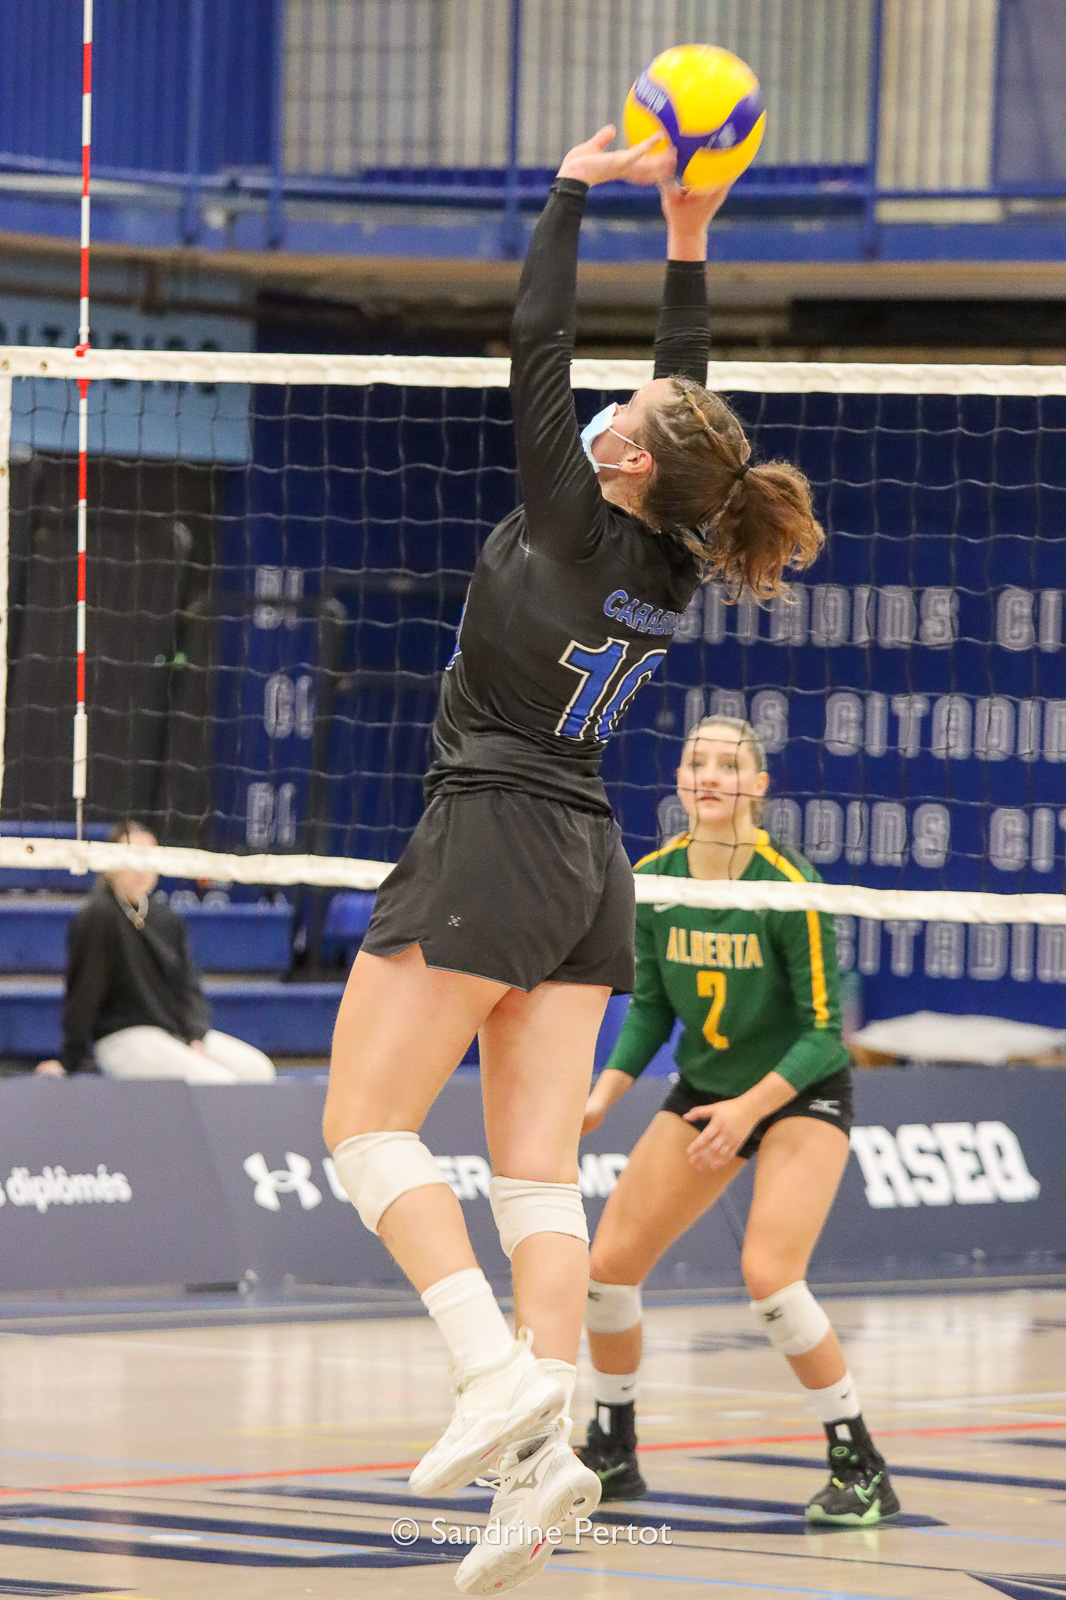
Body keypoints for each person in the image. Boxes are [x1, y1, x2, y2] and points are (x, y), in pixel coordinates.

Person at [322, 125, 823, 1596]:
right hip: (588, 860)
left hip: (490, 828)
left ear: (616, 457)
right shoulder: (669, 544)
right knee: (534, 1175)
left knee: (363, 1132)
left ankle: (489, 1376)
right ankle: (549, 1468)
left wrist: (566, 188)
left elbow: (539, 332)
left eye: (626, 408)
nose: (617, 401)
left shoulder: (574, 510)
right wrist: (682, 236)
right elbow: (690, 412)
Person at [576, 716, 900, 1527]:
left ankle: (860, 1463)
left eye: (730, 765)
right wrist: (602, 1094)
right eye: (697, 762)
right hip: (706, 1089)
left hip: (800, 1092)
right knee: (608, 1266)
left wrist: (750, 1110)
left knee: (769, 1275)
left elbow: (828, 1034)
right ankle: (613, 1451)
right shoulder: (654, 878)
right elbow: (650, 1008)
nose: (711, 776)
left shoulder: (789, 886)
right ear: (680, 781)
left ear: (759, 786)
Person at [34, 821, 276, 1084]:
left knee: (259, 1071)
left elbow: (189, 987)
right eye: (132, 858)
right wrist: (68, 1059)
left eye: (149, 858)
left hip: (173, 1034)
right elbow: (85, 992)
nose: (141, 868)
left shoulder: (166, 916)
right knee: (217, 1082)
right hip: (122, 1037)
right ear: (109, 863)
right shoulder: (98, 915)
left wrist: (194, 1036)